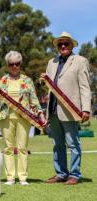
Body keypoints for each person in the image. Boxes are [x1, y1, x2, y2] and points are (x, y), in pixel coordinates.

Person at [0, 51, 46, 186]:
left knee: (22, 148)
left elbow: (34, 99)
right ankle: (10, 177)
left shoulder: (27, 80)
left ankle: (22, 177)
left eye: (17, 63)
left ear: (20, 64)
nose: (14, 66)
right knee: (8, 148)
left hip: (24, 117)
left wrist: (41, 114)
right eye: (11, 64)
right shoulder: (2, 80)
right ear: (7, 65)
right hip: (6, 117)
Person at [43, 32, 91, 185]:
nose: (63, 46)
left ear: (72, 45)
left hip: (71, 110)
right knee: (57, 144)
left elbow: (84, 86)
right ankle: (61, 173)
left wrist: (86, 109)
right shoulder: (51, 62)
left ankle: (75, 175)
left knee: (73, 143)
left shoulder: (80, 61)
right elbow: (50, 86)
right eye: (60, 44)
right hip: (53, 109)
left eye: (66, 43)